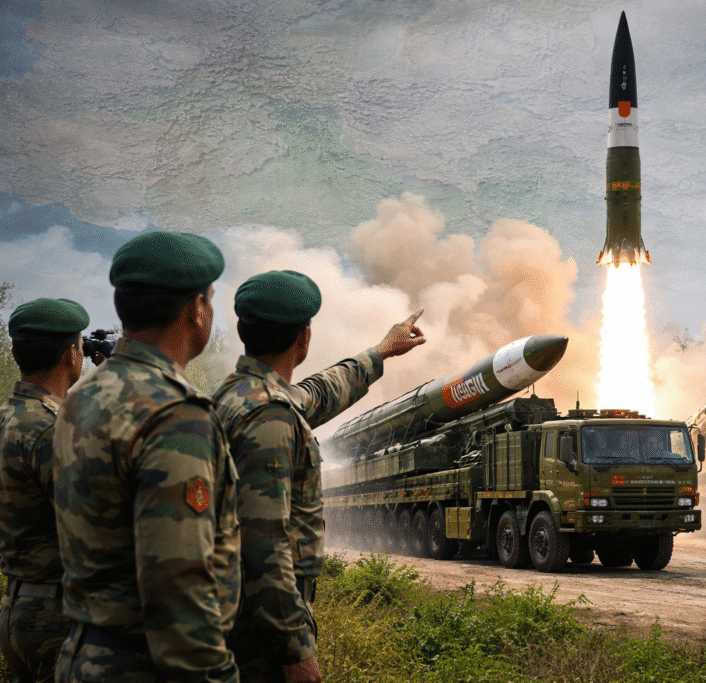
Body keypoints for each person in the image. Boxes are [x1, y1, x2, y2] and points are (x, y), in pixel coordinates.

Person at [212, 270, 425, 683]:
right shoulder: (269, 416)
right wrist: (297, 652)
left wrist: (382, 351)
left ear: (241, 330)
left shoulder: (238, 394)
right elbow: (264, 546)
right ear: (304, 339)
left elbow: (320, 392)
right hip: (257, 639)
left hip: (236, 614)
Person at [53, 232, 240, 683]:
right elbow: (179, 591)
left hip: (83, 655)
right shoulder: (174, 413)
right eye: (210, 300)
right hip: (143, 667)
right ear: (196, 311)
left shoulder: (81, 397)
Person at [0, 298, 92, 683]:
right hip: (55, 616)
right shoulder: (51, 430)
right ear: (71, 355)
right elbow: (91, 525)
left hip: (15, 606)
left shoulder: (8, 417)